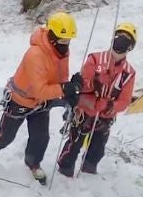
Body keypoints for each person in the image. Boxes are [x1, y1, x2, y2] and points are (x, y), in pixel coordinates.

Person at [0, 11, 79, 183]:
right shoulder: (36, 54)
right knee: (6, 136)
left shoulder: (62, 52)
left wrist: (70, 91)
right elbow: (39, 90)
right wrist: (63, 89)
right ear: (52, 36)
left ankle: (33, 162)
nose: (66, 44)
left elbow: (61, 77)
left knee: (41, 137)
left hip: (41, 104)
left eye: (69, 40)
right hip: (20, 101)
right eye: (63, 40)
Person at [57, 22, 138, 177]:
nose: (121, 39)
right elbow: (82, 84)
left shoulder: (129, 73)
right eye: (119, 35)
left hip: (105, 116)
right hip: (85, 110)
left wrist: (109, 105)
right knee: (74, 143)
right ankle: (64, 170)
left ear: (130, 46)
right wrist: (93, 83)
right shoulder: (95, 58)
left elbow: (125, 100)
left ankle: (89, 170)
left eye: (126, 38)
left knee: (97, 149)